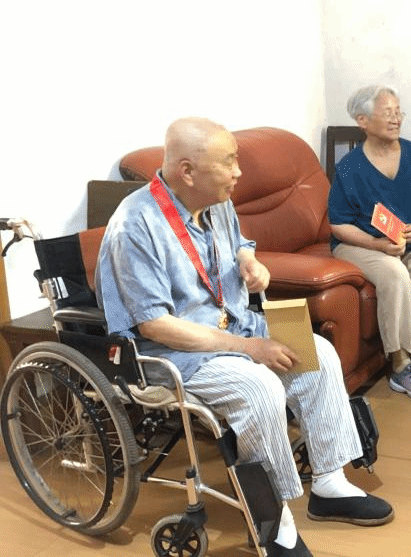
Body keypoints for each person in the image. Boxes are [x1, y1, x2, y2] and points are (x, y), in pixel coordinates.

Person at [96, 118, 394, 557]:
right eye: (229, 163)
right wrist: (250, 349)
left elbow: (239, 241)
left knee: (318, 354)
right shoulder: (136, 225)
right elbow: (155, 325)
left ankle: (329, 484)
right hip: (172, 352)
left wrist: (250, 261)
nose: (238, 172)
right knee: (261, 387)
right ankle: (273, 519)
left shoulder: (214, 200)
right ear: (187, 171)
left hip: (232, 324)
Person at [328, 86, 411, 402]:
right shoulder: (349, 167)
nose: (396, 119)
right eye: (387, 113)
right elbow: (338, 224)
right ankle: (401, 366)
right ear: (363, 121)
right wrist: (376, 245)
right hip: (361, 245)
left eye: (398, 111)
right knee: (395, 275)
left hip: (410, 243)